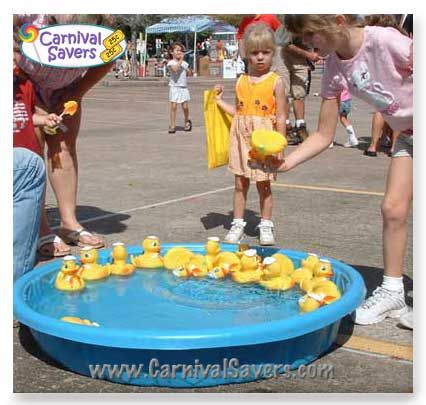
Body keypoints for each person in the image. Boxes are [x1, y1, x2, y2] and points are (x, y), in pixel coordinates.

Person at [279, 15, 413, 328]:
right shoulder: (334, 67)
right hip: (409, 134)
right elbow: (324, 135)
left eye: (312, 34)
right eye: (304, 37)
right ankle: (393, 291)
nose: (310, 43)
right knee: (393, 209)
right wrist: (285, 163)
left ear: (338, 21)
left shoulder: (384, 41)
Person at [15, 14, 115, 257]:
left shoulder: (101, 21)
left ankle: (69, 222)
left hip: (67, 89)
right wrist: (27, 90)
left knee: (64, 149)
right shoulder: (27, 14)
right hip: (27, 83)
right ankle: (40, 227)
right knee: (33, 154)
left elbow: (108, 59)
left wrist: (76, 92)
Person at [215, 23, 286, 246]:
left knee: (264, 184)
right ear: (247, 54)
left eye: (265, 52)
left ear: (273, 53)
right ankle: (238, 223)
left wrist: (280, 147)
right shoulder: (240, 81)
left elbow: (282, 116)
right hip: (241, 139)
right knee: (240, 184)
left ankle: (265, 224)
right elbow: (239, 111)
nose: (260, 57)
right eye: (255, 53)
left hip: (264, 142)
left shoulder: (276, 82)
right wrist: (218, 101)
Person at [13, 43, 61, 280]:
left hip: (28, 153)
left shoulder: (24, 85)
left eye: (16, 54)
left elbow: (25, 114)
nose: (13, 59)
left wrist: (43, 119)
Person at [167, 42, 192, 134]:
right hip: (174, 87)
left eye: (180, 51)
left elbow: (190, 74)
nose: (179, 52)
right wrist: (181, 61)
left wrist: (187, 68)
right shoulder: (170, 62)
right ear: (171, 52)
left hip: (183, 87)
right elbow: (175, 70)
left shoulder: (184, 63)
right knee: (173, 106)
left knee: (185, 107)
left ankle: (187, 121)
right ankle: (173, 125)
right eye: (177, 50)